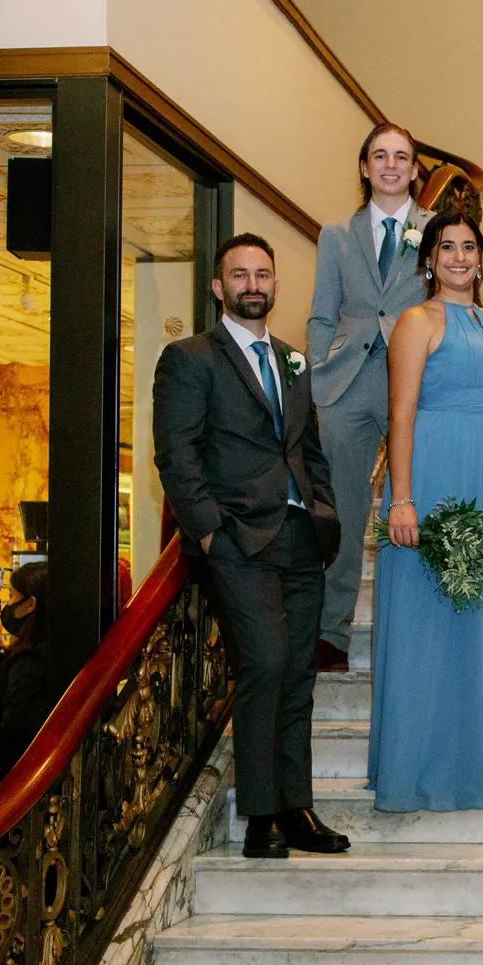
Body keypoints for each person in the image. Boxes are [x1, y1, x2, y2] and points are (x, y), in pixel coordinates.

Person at [153, 233, 349, 858]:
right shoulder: (190, 359)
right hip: (238, 537)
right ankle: (259, 814)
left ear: (274, 284)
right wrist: (208, 528)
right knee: (264, 663)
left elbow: (307, 448)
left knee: (297, 673)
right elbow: (176, 453)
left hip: (299, 536)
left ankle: (297, 809)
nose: (252, 285)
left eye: (262, 274)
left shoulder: (294, 361)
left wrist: (323, 509)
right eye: (239, 275)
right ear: (218, 287)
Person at [366, 214, 483, 811]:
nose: (460, 256)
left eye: (470, 246)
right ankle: (428, 764)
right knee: (434, 619)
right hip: (437, 480)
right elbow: (401, 412)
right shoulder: (417, 322)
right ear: (429, 258)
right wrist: (402, 497)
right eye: (448, 247)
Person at [305, 123, 434, 672]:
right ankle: (331, 632)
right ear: (364, 167)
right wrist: (315, 380)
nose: (390, 165)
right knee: (343, 508)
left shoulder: (437, 229)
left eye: (400, 157)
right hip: (347, 381)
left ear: (413, 169)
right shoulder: (336, 233)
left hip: (416, 377)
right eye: (379, 156)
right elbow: (320, 310)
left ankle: (419, 629)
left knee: (417, 501)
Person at [0, 562, 55, 779]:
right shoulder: (49, 650)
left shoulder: (31, 662)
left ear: (30, 605)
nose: (7, 605)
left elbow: (13, 731)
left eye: (13, 597)